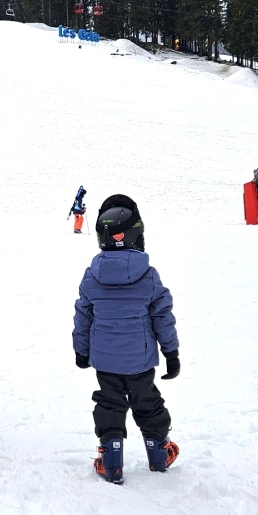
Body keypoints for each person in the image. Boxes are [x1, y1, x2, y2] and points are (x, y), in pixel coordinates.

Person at [72, 194, 180, 485]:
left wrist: (81, 351)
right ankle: (159, 454)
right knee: (147, 402)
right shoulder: (149, 276)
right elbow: (162, 317)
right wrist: (171, 352)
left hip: (105, 360)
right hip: (139, 360)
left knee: (109, 404)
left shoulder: (91, 277)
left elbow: (83, 317)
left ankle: (111, 461)